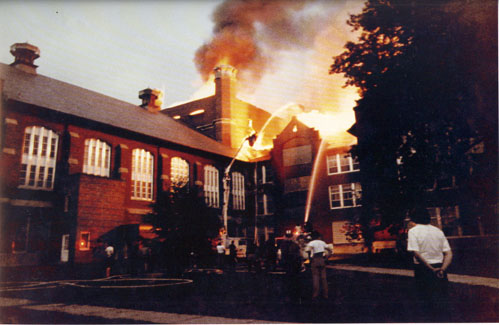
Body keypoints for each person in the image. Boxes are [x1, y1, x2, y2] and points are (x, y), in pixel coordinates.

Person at [407, 207, 453, 320]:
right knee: (442, 301)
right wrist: (442, 269)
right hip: (440, 268)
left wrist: (431, 269)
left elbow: (416, 253)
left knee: (426, 302)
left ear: (413, 218)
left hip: (423, 269)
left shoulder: (413, 231)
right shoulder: (438, 231)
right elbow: (448, 253)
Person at [306, 231, 332, 300]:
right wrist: (327, 257)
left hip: (315, 260)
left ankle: (315, 294)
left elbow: (307, 251)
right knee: (324, 278)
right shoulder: (322, 242)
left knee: (315, 277)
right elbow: (330, 249)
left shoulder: (311, 243)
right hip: (321, 259)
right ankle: (326, 294)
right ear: (319, 236)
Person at [280, 230, 303, 303]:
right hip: (295, 264)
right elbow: (300, 254)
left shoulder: (282, 245)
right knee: (296, 280)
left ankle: (288, 295)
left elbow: (280, 255)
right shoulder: (295, 244)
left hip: (287, 264)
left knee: (287, 279)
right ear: (292, 236)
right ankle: (296, 296)